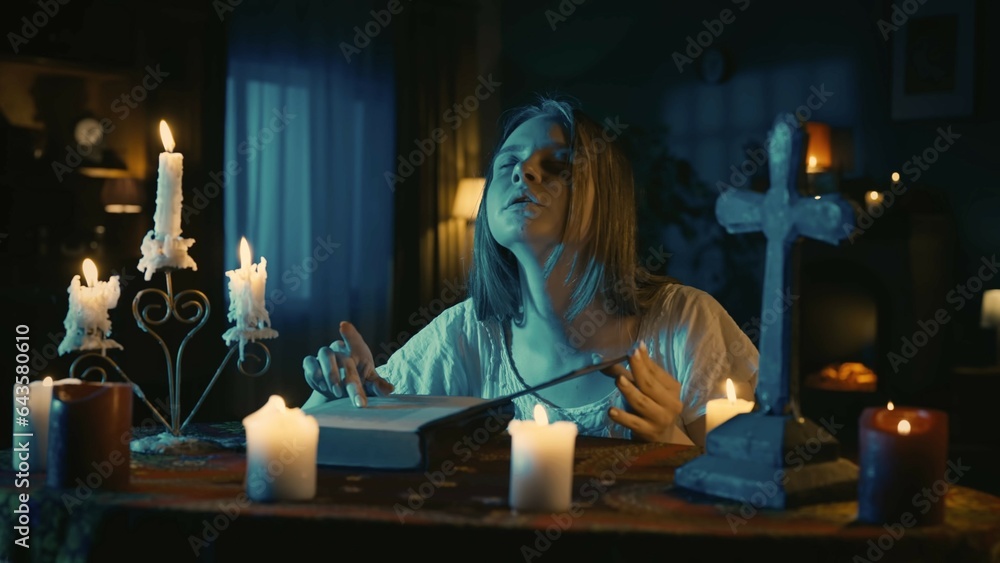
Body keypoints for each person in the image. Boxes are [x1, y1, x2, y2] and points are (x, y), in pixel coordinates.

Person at [302, 95, 758, 447]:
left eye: (557, 165)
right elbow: (320, 435)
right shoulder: (466, 333)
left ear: (608, 202)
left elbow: (753, 500)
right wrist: (337, 390)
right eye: (508, 163)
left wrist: (670, 443)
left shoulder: (686, 323)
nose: (524, 173)